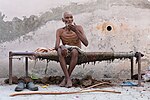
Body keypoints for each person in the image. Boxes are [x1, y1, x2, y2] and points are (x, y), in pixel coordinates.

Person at [55, 11, 88, 88]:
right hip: (66, 51)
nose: (69, 19)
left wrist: (76, 31)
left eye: (71, 17)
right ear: (63, 20)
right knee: (59, 50)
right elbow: (56, 46)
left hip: (76, 51)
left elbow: (86, 43)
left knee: (74, 51)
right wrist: (62, 46)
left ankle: (66, 79)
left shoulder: (79, 28)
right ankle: (68, 78)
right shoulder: (60, 31)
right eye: (67, 18)